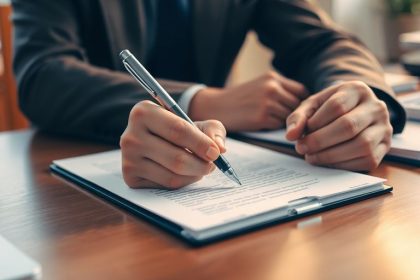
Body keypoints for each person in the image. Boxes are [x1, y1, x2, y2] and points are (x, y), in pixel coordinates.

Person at [12, 0, 406, 189]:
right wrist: (201, 101)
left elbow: (322, 40)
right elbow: (42, 75)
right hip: (76, 187)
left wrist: (360, 96)